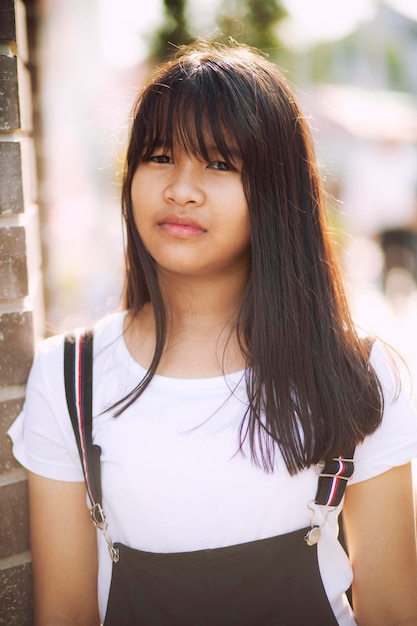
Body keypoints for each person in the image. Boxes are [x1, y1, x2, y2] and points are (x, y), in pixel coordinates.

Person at [8, 41, 417, 626]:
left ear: (278, 192)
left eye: (220, 164)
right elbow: (66, 615)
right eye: (158, 156)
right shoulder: (69, 377)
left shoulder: (358, 371)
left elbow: (394, 612)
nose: (181, 189)